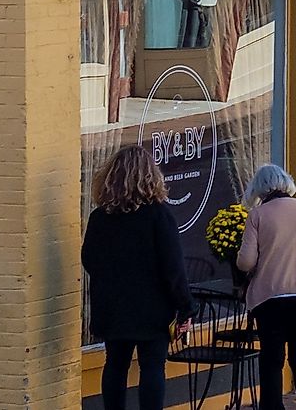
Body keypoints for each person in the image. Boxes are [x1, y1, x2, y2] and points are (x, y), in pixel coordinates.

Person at [80, 145, 192, 410]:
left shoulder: (100, 218)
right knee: (152, 366)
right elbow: (173, 268)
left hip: (113, 306)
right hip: (152, 308)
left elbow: (89, 259)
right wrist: (186, 306)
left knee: (115, 364)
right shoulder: (159, 215)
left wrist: (110, 280)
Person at [236, 163, 296, 410]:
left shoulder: (258, 215)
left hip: (270, 298)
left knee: (272, 359)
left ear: (260, 188)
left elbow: (245, 262)